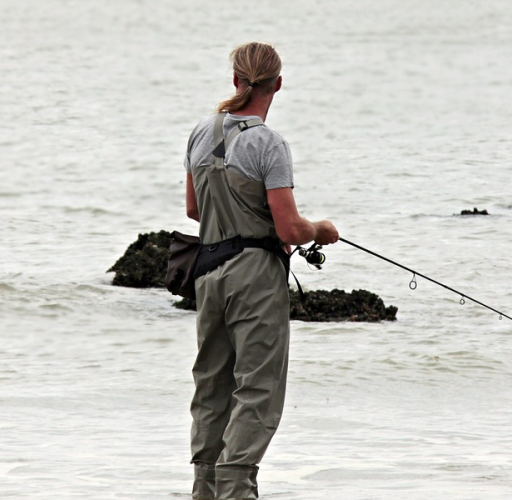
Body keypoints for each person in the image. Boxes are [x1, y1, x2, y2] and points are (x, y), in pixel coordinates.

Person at [183, 42, 339, 500]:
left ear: (236, 80)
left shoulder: (199, 133)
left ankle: (204, 489)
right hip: (254, 276)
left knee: (212, 385)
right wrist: (322, 230)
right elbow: (290, 227)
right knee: (258, 388)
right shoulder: (268, 143)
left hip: (207, 273)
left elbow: (194, 210)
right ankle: (236, 489)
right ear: (278, 84)